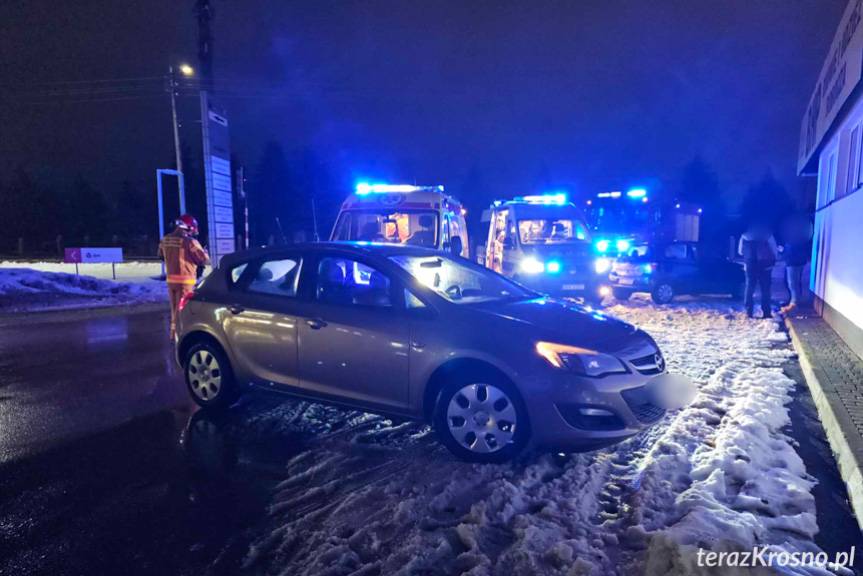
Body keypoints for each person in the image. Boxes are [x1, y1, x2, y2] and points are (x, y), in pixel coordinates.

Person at [159, 214, 210, 339]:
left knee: (174, 309)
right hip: (186, 281)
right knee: (183, 311)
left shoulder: (165, 239)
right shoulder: (190, 242)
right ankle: (182, 336)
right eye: (192, 228)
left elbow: (160, 255)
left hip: (171, 281)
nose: (194, 231)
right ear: (187, 227)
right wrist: (205, 253)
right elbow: (204, 260)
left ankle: (173, 334)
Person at [738, 222, 778, 319]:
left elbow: (740, 251)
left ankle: (749, 311)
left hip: (750, 265)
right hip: (765, 265)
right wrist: (774, 260)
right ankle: (766, 312)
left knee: (749, 288)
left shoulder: (745, 235)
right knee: (765, 289)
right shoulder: (768, 234)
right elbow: (774, 250)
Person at [780, 214, 812, 315]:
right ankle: (794, 302)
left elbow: (792, 250)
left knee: (792, 282)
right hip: (796, 260)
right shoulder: (800, 237)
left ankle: (794, 305)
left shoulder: (794, 239)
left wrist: (784, 253)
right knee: (794, 282)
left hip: (793, 261)